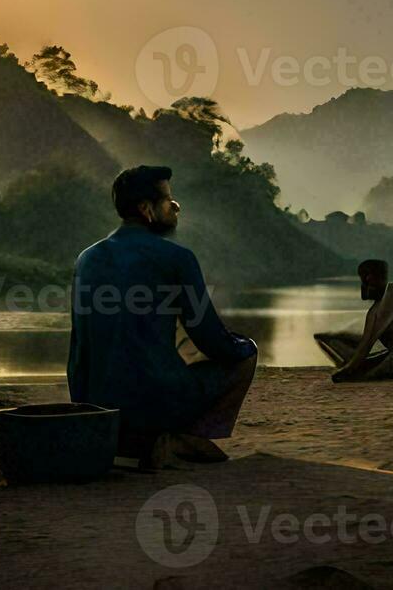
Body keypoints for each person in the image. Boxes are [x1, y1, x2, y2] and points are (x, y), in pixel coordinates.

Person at [67, 165, 257, 465]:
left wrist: (84, 409)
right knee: (243, 357)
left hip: (99, 407)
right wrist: (244, 346)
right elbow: (209, 338)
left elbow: (79, 347)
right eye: (169, 201)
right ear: (147, 209)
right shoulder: (176, 258)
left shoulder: (87, 259)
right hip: (155, 404)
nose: (176, 208)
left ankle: (126, 439)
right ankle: (181, 439)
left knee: (168, 343)